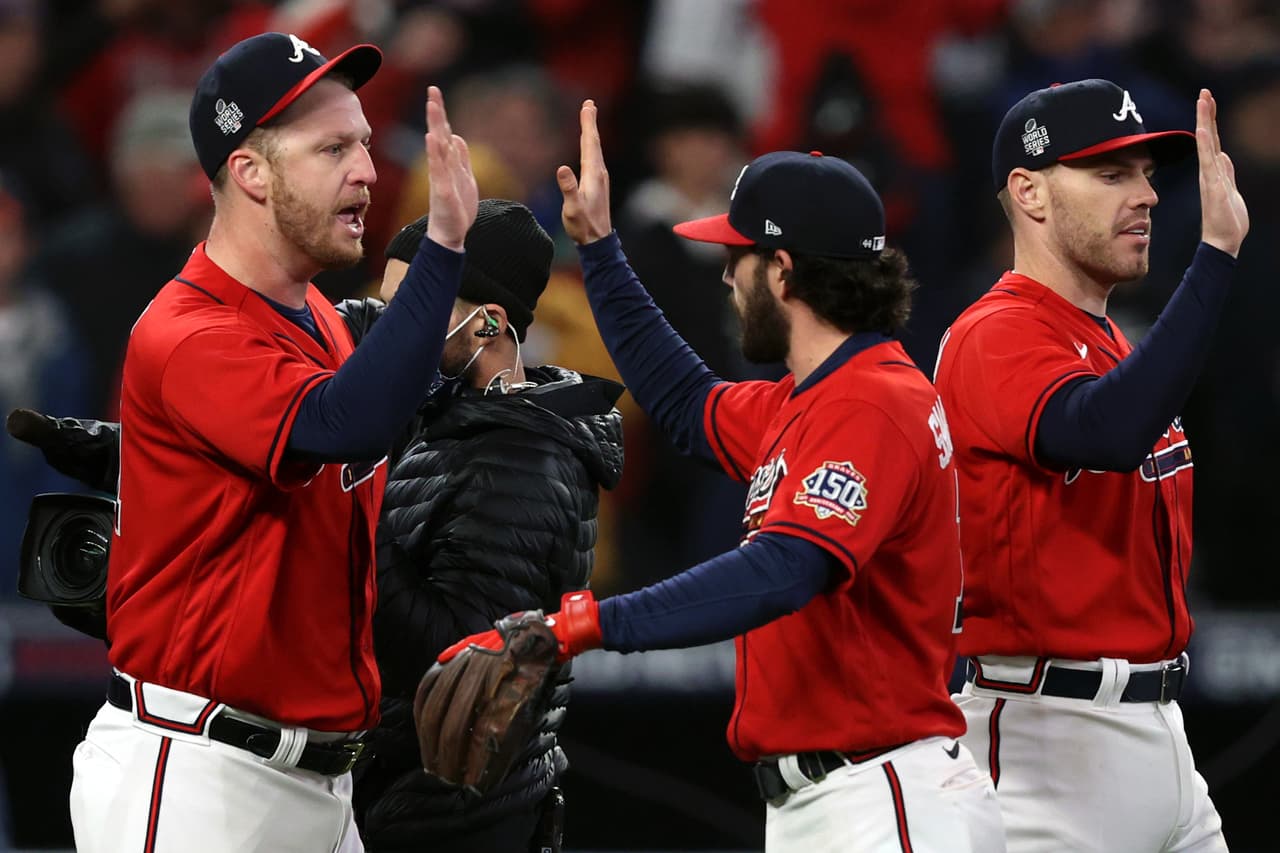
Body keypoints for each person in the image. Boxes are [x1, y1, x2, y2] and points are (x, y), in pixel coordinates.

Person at [444, 103, 1006, 852]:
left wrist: (581, 623)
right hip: (846, 795)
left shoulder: (873, 404)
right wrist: (603, 250)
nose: (726, 281)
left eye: (735, 260)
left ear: (781, 269)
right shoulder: (812, 399)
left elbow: (783, 569)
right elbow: (683, 403)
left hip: (883, 794)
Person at [65, 32, 479, 853]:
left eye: (363, 141)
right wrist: (444, 248)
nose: (366, 169)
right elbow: (343, 425)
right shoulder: (187, 331)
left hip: (319, 784)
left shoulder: (322, 319)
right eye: (332, 147)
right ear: (249, 172)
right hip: (199, 778)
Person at [933, 79, 1248, 851]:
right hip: (1047, 742)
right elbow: (1102, 430)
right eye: (1111, 175)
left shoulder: (1107, 342)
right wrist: (1214, 259)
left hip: (1159, 726)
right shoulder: (992, 334)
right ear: (1030, 193)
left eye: (1145, 174)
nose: (1145, 195)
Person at [352, 200, 625, 853]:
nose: (391, 330)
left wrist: (349, 514)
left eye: (413, 308)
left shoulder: (521, 458)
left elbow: (450, 661)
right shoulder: (444, 423)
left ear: (488, 324)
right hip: (405, 803)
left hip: (456, 822)